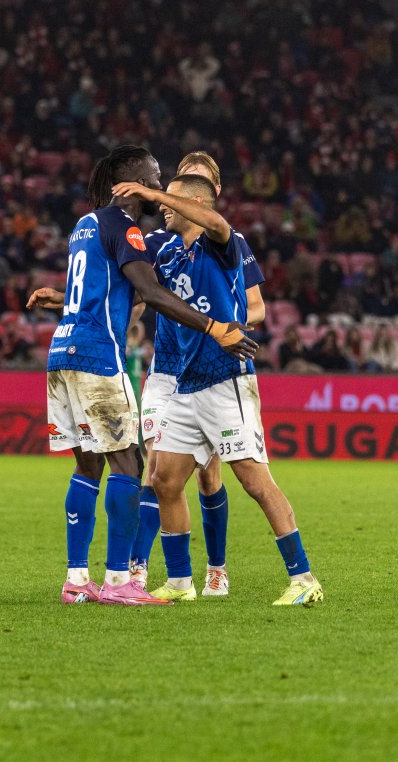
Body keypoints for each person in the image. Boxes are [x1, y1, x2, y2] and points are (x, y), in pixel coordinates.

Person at [24, 145, 255, 607]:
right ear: (134, 181)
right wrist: (213, 327)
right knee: (130, 464)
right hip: (98, 356)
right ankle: (119, 580)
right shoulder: (126, 228)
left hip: (62, 349)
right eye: (154, 176)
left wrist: (62, 300)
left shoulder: (85, 224)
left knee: (87, 466)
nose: (159, 186)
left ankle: (76, 580)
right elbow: (149, 290)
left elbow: (106, 286)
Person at [112, 173, 322, 606]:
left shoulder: (222, 245)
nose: (162, 206)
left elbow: (217, 223)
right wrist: (66, 298)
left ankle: (303, 579)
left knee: (255, 482)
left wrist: (151, 191)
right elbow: (135, 288)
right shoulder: (169, 253)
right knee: (164, 479)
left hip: (227, 381)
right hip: (185, 383)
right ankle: (180, 581)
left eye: (171, 198)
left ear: (195, 203)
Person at [131, 151, 266, 597]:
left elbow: (257, 308)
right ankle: (138, 569)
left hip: (210, 369)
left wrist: (223, 327)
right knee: (157, 466)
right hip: (166, 370)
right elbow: (138, 291)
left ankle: (217, 567)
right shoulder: (160, 243)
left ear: (211, 193)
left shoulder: (232, 242)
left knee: (210, 476)